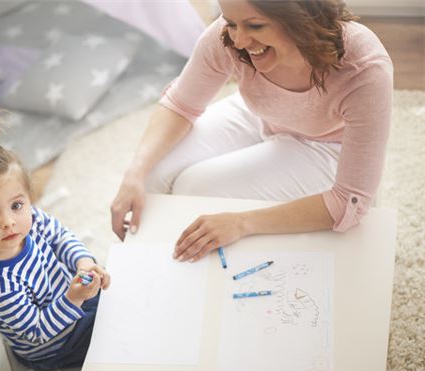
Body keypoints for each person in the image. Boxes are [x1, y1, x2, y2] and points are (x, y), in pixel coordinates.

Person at [111, 0, 392, 262]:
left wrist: (243, 222)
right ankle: (143, 266)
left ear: (301, 18)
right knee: (152, 173)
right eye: (231, 23)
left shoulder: (363, 68)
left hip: (327, 146)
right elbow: (180, 104)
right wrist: (134, 172)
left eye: (254, 26)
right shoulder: (228, 36)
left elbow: (349, 201)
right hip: (260, 113)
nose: (239, 40)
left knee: (195, 188)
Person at [0, 113, 111, 370]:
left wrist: (83, 262)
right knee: (121, 335)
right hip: (58, 344)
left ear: (27, 198)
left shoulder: (29, 218)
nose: (9, 222)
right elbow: (36, 332)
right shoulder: (1, 286)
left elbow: (60, 235)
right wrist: (74, 298)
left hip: (70, 302)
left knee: (126, 293)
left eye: (16, 205)